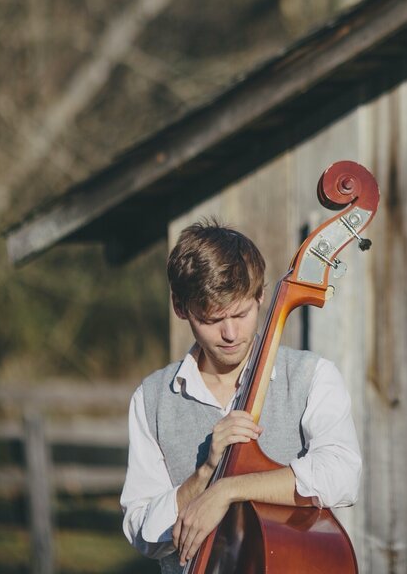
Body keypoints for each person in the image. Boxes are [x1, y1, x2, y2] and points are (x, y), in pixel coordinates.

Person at [120, 218, 361, 572]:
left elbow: (341, 475)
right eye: (212, 319)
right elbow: (142, 530)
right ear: (180, 308)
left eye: (241, 313)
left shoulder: (312, 377)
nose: (231, 333)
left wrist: (229, 490)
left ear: (261, 295)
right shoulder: (151, 399)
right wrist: (205, 474)